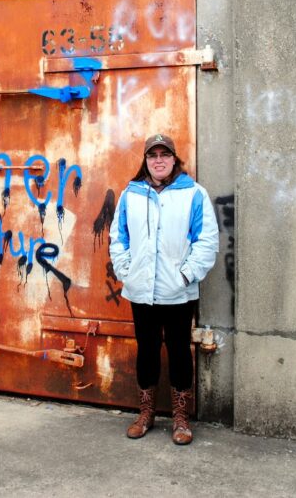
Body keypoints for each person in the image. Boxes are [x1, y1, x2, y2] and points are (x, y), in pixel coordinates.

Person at [109, 133, 220, 445]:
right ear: (146, 160)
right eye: (152, 155)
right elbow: (119, 237)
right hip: (140, 290)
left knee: (178, 351)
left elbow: (206, 241)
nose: (158, 160)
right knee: (146, 351)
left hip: (178, 292)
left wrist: (185, 276)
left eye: (164, 154)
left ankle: (181, 418)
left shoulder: (194, 194)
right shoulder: (131, 195)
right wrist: (126, 272)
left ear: (174, 159)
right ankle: (146, 413)